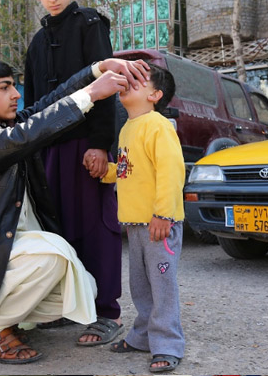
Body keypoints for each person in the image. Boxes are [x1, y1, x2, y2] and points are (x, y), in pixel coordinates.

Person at [0, 57, 150, 364]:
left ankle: (5, 315)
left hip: (8, 249)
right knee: (55, 256)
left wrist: (96, 69)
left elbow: (50, 103)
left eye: (14, 86)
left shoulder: (2, 123)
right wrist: (92, 94)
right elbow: (19, 139)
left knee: (81, 284)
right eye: (4, 87)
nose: (15, 94)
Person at [25, 0, 123, 346]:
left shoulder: (90, 25)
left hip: (86, 145)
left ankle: (106, 313)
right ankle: (67, 308)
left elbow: (107, 88)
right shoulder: (35, 43)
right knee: (58, 230)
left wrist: (101, 144)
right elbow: (32, 102)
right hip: (50, 149)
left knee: (95, 226)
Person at [88, 63, 185, 373]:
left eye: (138, 80)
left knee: (162, 287)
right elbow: (132, 171)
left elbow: (171, 173)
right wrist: (108, 173)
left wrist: (163, 214)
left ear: (155, 95)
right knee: (141, 287)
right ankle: (143, 336)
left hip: (158, 223)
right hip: (136, 224)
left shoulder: (158, 124)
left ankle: (168, 344)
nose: (128, 82)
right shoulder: (129, 127)